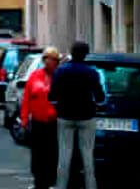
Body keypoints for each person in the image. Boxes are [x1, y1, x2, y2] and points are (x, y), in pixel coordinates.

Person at [48, 41, 105, 189]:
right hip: (86, 116)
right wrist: (97, 102)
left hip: (65, 115)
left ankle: (61, 186)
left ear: (71, 52)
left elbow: (52, 94)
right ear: (86, 54)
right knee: (87, 155)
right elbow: (99, 96)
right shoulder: (91, 72)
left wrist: (58, 102)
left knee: (64, 155)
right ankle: (90, 186)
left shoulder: (61, 71)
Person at [21, 46, 61, 189]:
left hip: (54, 123)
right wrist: (24, 118)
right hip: (38, 122)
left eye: (51, 60)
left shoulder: (60, 77)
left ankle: (51, 181)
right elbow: (26, 98)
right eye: (46, 59)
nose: (48, 63)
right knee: (38, 153)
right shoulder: (35, 75)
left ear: (56, 62)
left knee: (52, 153)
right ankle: (38, 181)